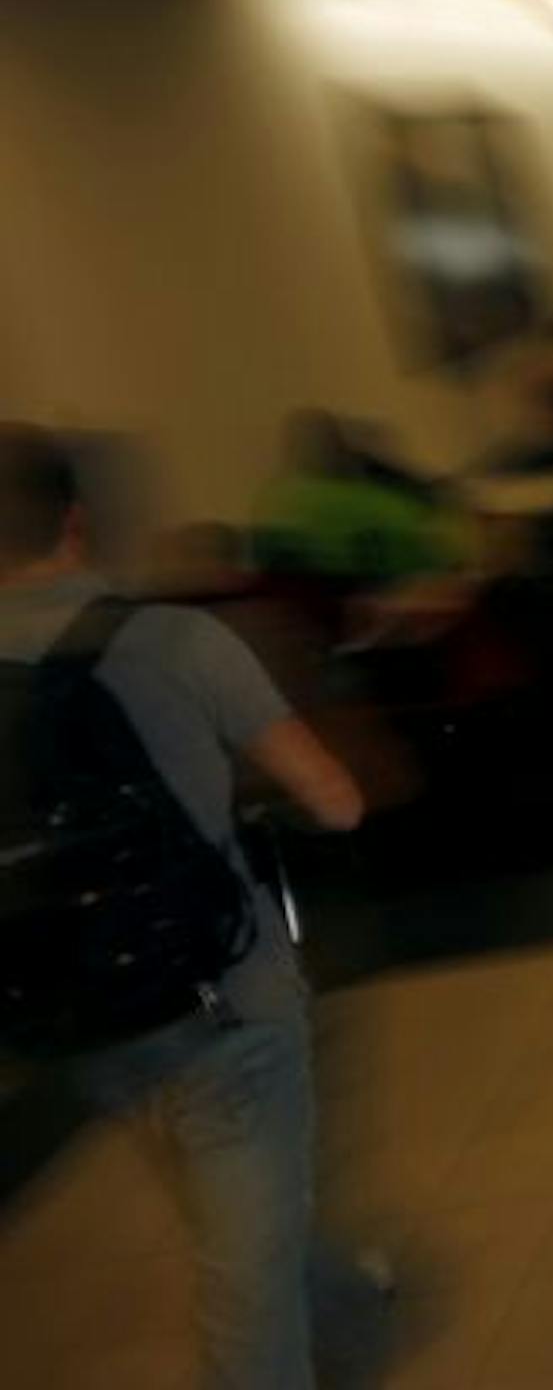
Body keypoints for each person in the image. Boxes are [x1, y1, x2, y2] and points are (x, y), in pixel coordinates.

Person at [0, 426, 378, 1389]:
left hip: (75, 1013)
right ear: (75, 522)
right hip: (223, 1000)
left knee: (244, 1212)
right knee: (243, 1271)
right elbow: (337, 801)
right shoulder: (175, 639)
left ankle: (349, 1310)